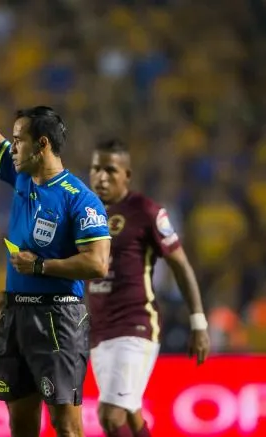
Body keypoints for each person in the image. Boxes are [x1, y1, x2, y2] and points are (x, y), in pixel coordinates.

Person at [0, 44, 111, 437]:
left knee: (66, 427)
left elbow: (97, 263)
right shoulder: (21, 177)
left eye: (19, 140)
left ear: (43, 145)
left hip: (59, 319)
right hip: (17, 315)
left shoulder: (79, 199)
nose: (11, 146)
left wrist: (39, 267)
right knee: (21, 426)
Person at [86, 138, 211, 437]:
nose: (101, 177)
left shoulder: (146, 211)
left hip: (136, 324)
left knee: (109, 416)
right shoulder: (83, 215)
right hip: (99, 330)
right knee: (130, 417)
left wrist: (198, 322)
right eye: (95, 169)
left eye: (110, 170)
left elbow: (180, 265)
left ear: (127, 175)